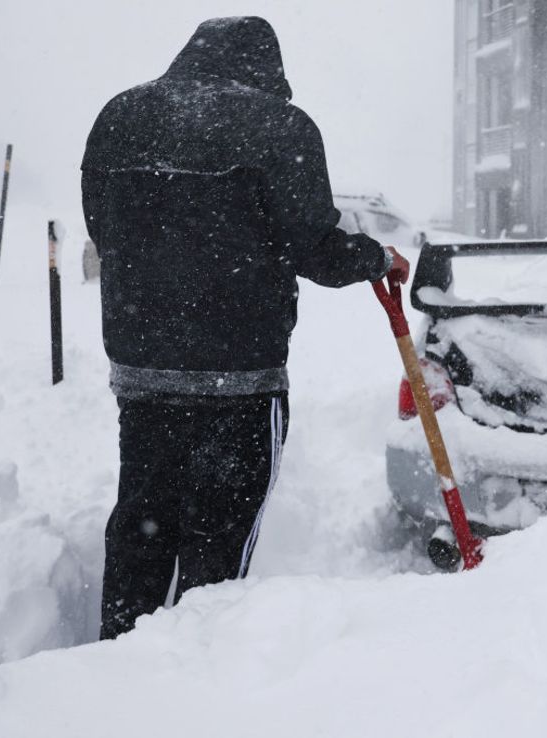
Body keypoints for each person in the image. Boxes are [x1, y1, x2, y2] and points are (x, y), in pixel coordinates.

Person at [81, 16, 409, 639]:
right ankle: (200, 667)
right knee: (220, 538)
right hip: (239, 378)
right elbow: (315, 249)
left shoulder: (118, 117)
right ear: (267, 67)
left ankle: (114, 662)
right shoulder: (279, 127)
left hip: (143, 373)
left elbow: (105, 232)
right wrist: (376, 257)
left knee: (141, 527)